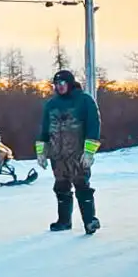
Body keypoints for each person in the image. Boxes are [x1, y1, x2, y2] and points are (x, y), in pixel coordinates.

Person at [37, 69, 102, 234]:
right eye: (56, 84)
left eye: (62, 83)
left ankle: (90, 221)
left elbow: (93, 126)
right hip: (57, 156)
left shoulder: (84, 100)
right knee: (61, 186)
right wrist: (41, 151)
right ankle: (63, 221)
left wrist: (89, 152)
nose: (59, 87)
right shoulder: (51, 105)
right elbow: (44, 129)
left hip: (77, 154)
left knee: (82, 185)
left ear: (70, 83)